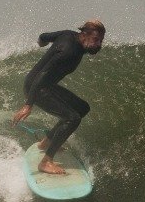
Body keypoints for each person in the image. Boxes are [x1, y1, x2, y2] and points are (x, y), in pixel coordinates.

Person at [12, 19, 105, 175]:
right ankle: (46, 162)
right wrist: (29, 104)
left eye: (101, 40)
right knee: (73, 118)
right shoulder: (68, 51)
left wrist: (41, 43)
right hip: (37, 87)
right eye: (96, 40)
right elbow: (42, 75)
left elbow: (43, 36)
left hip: (47, 86)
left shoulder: (68, 34)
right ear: (84, 34)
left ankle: (45, 143)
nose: (98, 44)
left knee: (82, 108)